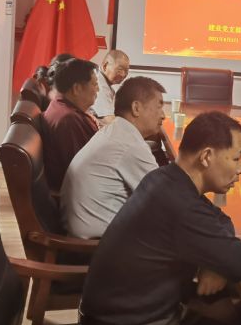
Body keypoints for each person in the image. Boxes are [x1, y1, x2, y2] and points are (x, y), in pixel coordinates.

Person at [79, 111, 241, 325]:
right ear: (207, 156)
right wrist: (220, 260)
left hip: (142, 316)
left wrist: (215, 262)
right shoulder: (181, 207)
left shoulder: (164, 179)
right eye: (236, 158)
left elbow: (220, 219)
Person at [60, 76, 166, 239]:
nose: (163, 115)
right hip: (96, 245)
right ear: (136, 108)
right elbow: (163, 199)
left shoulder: (115, 130)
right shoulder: (130, 144)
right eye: (159, 106)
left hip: (84, 231)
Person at [41, 58, 99, 192]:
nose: (98, 89)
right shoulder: (68, 120)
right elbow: (85, 170)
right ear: (77, 89)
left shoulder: (61, 107)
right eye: (94, 84)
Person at [91, 49, 130, 122]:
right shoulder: (99, 84)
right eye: (120, 70)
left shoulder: (106, 84)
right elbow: (109, 120)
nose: (123, 74)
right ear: (105, 66)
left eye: (126, 71)